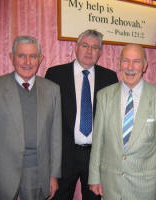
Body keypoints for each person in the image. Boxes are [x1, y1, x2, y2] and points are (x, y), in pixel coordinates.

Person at [88, 44, 156, 200]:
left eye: (137, 61)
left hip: (145, 186)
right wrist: (94, 177)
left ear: (145, 65)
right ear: (119, 64)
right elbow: (98, 141)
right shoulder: (104, 95)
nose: (130, 67)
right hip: (110, 184)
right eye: (125, 61)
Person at [45, 29, 118, 200]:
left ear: (100, 52)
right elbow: (47, 119)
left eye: (95, 47)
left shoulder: (110, 77)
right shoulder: (55, 74)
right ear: (75, 47)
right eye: (85, 45)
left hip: (96, 156)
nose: (89, 51)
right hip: (64, 155)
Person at [0, 35, 62, 200]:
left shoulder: (52, 90)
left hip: (38, 172)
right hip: (1, 174)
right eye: (21, 55)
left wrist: (54, 175)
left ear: (40, 59)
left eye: (33, 56)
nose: (27, 62)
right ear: (11, 57)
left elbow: (55, 137)